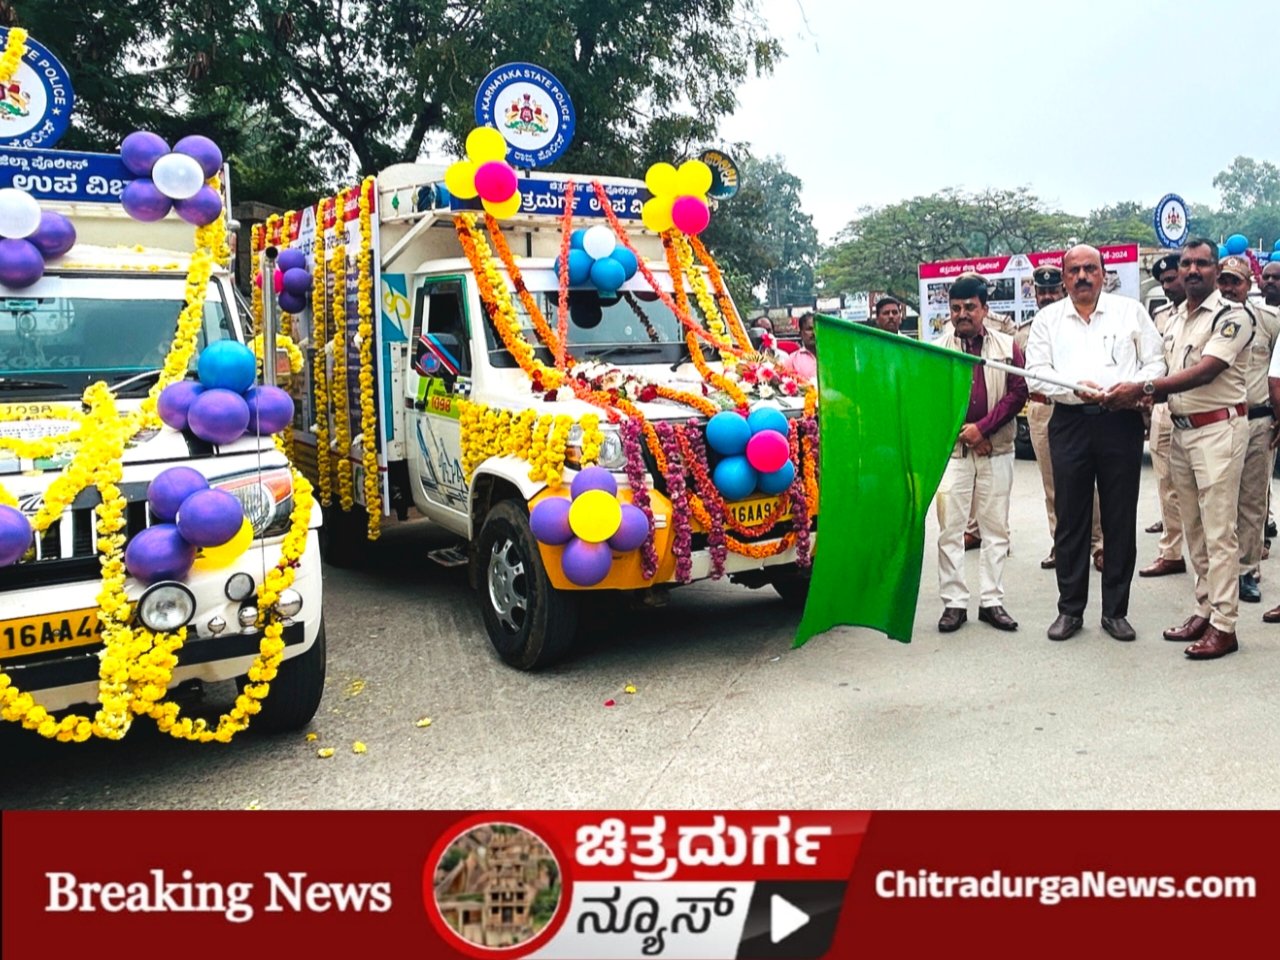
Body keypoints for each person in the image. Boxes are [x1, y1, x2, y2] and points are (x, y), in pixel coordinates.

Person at [1104, 239, 1254, 660]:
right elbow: (1159, 367)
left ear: (1215, 269)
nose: (1192, 270)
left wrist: (1144, 389)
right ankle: (1204, 608)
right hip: (1181, 430)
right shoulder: (1173, 320)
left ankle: (1225, 625)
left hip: (1219, 430)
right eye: (1186, 263)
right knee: (1194, 528)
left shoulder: (1232, 315)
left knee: (1220, 529)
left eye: (1201, 264)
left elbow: (1207, 371)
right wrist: (1125, 389)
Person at [1025, 244, 1164, 643]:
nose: (1082, 276)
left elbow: (1156, 362)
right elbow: (1035, 375)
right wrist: (1073, 389)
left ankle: (1115, 612)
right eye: (1075, 271)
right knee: (1071, 520)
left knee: (1120, 518)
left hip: (1119, 421)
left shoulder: (1130, 313)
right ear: (1065, 277)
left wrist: (1134, 386)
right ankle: (1070, 610)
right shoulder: (1048, 320)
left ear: (1104, 273)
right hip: (1068, 422)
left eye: (1090, 269)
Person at [934, 275, 1027, 633]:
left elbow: (1018, 392)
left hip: (997, 449)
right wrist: (970, 435)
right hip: (955, 453)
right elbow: (936, 402)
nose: (962, 314)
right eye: (956, 308)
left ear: (985, 309)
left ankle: (992, 601)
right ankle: (954, 603)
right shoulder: (938, 347)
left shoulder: (1007, 346)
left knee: (995, 529)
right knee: (950, 530)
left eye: (970, 307)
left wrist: (984, 429)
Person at [1016, 264, 1104, 570]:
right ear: (1035, 295)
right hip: (1041, 409)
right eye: (1042, 291)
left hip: (1076, 408)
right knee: (1053, 484)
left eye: (1054, 290)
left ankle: (1098, 544)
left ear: (1063, 289)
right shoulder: (1025, 330)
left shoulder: (1078, 323)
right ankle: (1061, 544)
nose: (1048, 296)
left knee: (1086, 480)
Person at [1215, 256, 1278, 605]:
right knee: (1218, 500)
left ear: (1248, 283)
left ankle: (1248, 570)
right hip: (1218, 422)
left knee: (1252, 501)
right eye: (1223, 281)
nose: (1228, 288)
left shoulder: (1269, 320)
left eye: (1235, 282)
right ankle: (1219, 571)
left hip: (1257, 420)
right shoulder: (1209, 320)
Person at [1139, 252, 1188, 577]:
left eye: (1172, 279)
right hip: (1163, 410)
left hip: (1202, 410)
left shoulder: (1218, 314)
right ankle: (1171, 551)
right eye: (1163, 282)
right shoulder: (1159, 316)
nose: (1168, 287)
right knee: (1167, 483)